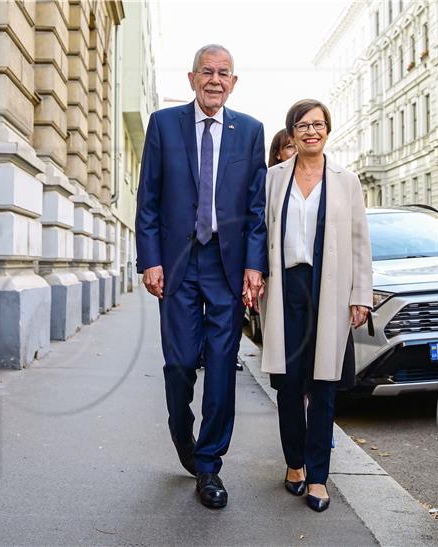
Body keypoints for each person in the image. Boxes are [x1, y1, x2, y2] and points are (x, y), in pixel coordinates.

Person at [135, 44, 267, 509]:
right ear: (192, 78)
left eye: (223, 73)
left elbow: (256, 209)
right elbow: (148, 198)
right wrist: (149, 260)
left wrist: (255, 264)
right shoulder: (164, 125)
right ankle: (181, 432)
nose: (215, 80)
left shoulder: (249, 132)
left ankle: (209, 464)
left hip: (227, 266)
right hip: (177, 263)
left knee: (221, 366)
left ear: (234, 82)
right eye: (207, 72)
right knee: (179, 362)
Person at [259, 99, 372, 512]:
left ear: (328, 130)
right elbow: (260, 230)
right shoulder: (273, 178)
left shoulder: (347, 180)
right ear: (291, 133)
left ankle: (319, 476)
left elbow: (361, 240)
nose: (311, 131)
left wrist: (361, 293)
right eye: (302, 125)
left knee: (324, 383)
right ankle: (294, 465)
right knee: (289, 384)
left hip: (331, 288)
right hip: (286, 286)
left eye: (318, 124)